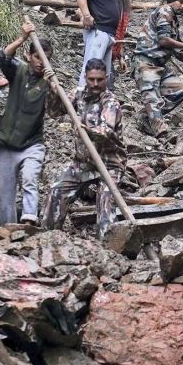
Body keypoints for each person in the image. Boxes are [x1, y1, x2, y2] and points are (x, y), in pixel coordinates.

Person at [44, 59, 125, 239]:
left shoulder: (111, 102)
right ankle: (48, 237)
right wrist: (52, 91)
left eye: (100, 80)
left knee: (105, 205)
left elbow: (106, 131)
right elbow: (54, 112)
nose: (95, 84)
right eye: (91, 80)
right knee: (56, 191)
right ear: (85, 78)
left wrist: (85, 130)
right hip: (83, 163)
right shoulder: (77, 94)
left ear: (107, 78)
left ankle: (106, 248)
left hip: (109, 164)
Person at [0, 22, 55, 224]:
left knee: (29, 178)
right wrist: (22, 38)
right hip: (7, 142)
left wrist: (51, 86)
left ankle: (29, 220)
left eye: (45, 59)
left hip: (32, 143)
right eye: (37, 57)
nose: (41, 63)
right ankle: (8, 229)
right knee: (3, 193)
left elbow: (56, 111)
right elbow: (3, 58)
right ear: (29, 56)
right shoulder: (18, 71)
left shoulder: (48, 82)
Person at [133, 0, 183, 138]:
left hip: (159, 66)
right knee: (152, 97)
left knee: (180, 90)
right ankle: (161, 135)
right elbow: (164, 41)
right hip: (146, 62)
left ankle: (145, 117)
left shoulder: (173, 20)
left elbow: (178, 51)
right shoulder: (165, 11)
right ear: (171, 0)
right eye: (181, 2)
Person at [74, 0, 121, 86]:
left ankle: (99, 105)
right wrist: (87, 15)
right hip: (98, 31)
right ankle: (81, 101)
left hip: (108, 33)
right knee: (92, 69)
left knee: (102, 76)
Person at [110, 0, 133, 87]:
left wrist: (121, 57)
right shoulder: (109, 3)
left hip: (113, 52)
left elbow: (121, 35)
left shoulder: (125, 7)